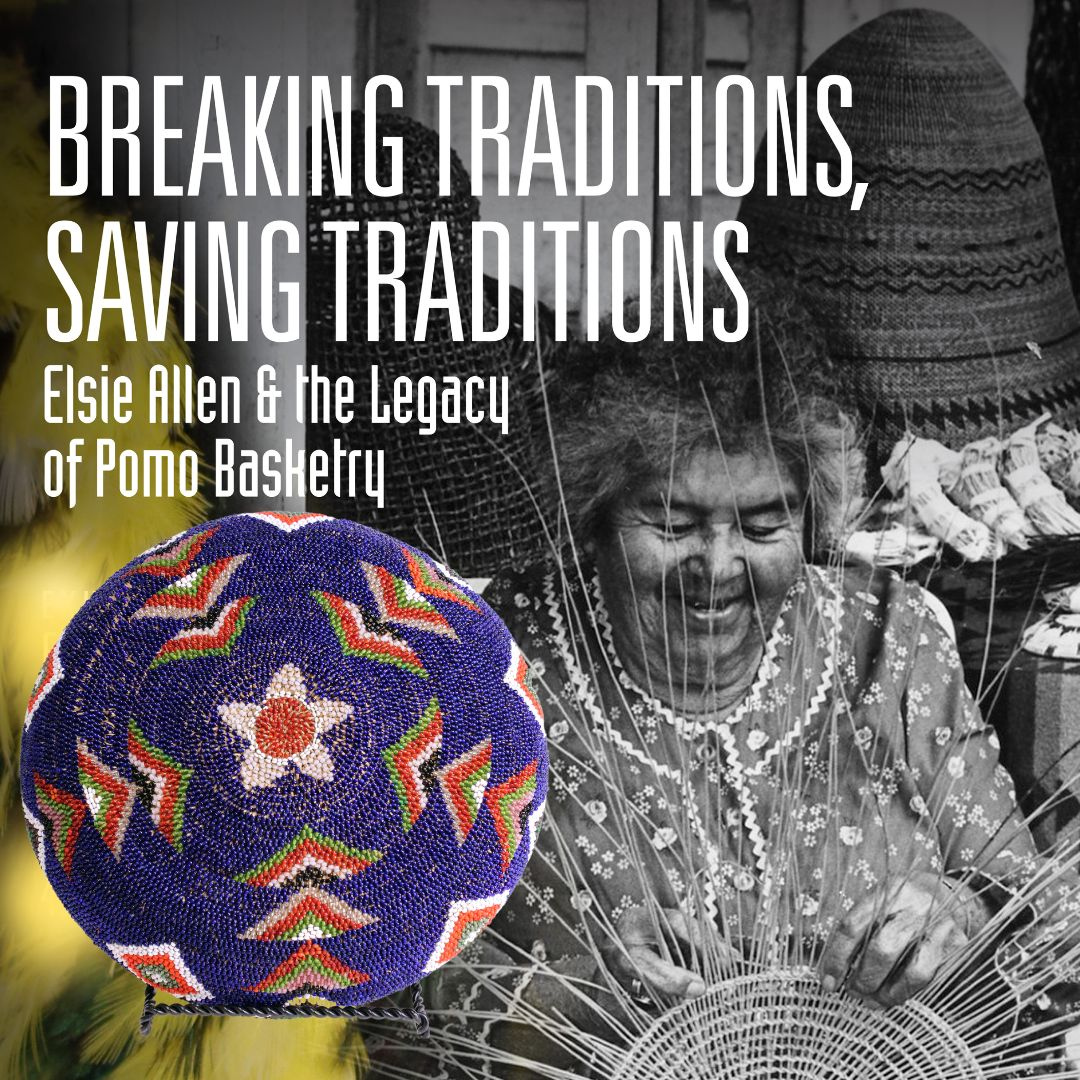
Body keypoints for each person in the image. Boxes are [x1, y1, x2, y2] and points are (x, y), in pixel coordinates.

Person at [370, 273, 1079, 1079]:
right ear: (594, 515)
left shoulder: (893, 640)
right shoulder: (484, 679)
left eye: (763, 523)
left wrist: (962, 909)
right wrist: (576, 996)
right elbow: (387, 1009)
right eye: (672, 523)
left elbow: (1042, 915)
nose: (716, 567)